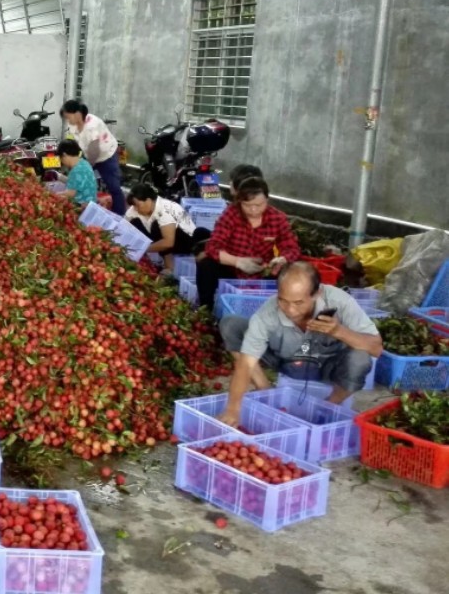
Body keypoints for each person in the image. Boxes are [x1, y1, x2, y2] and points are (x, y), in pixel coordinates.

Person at [217, 262, 382, 425]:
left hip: (327, 367)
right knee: (231, 325)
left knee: (360, 358)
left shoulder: (338, 301)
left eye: (298, 302)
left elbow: (376, 348)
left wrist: (339, 331)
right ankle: (265, 391)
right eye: (283, 300)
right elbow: (246, 364)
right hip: (286, 361)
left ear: (317, 293)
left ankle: (330, 405)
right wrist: (233, 408)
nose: (290, 310)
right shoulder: (267, 313)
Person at [197, 177, 300, 310]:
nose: (253, 210)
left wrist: (282, 259)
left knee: (290, 272)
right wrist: (238, 262)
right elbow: (213, 247)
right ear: (239, 202)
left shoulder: (277, 218)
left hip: (263, 273)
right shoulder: (231, 214)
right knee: (206, 265)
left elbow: (292, 248)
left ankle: (277, 312)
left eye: (258, 205)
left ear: (267, 200)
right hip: (232, 271)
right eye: (247, 205)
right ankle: (206, 310)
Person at [125, 184, 210, 273]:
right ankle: (145, 263)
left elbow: (168, 242)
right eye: (134, 206)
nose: (136, 209)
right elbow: (124, 228)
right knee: (135, 222)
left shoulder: (165, 208)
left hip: (184, 241)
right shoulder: (134, 211)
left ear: (148, 200)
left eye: (138, 205)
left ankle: (169, 267)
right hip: (163, 239)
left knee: (156, 226)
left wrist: (142, 249)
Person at [61, 99, 125, 215]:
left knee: (114, 187)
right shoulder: (73, 126)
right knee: (84, 179)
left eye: (68, 117)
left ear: (77, 114)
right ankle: (90, 201)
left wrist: (85, 167)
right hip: (89, 155)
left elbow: (95, 151)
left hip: (106, 156)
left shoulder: (92, 125)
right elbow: (77, 146)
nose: (67, 120)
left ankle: (119, 215)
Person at [53, 139, 98, 206]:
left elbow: (71, 194)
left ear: (64, 155)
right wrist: (60, 177)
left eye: (61, 159)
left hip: (82, 206)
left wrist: (53, 195)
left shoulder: (76, 171)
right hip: (92, 203)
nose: (62, 162)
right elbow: (77, 183)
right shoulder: (84, 163)